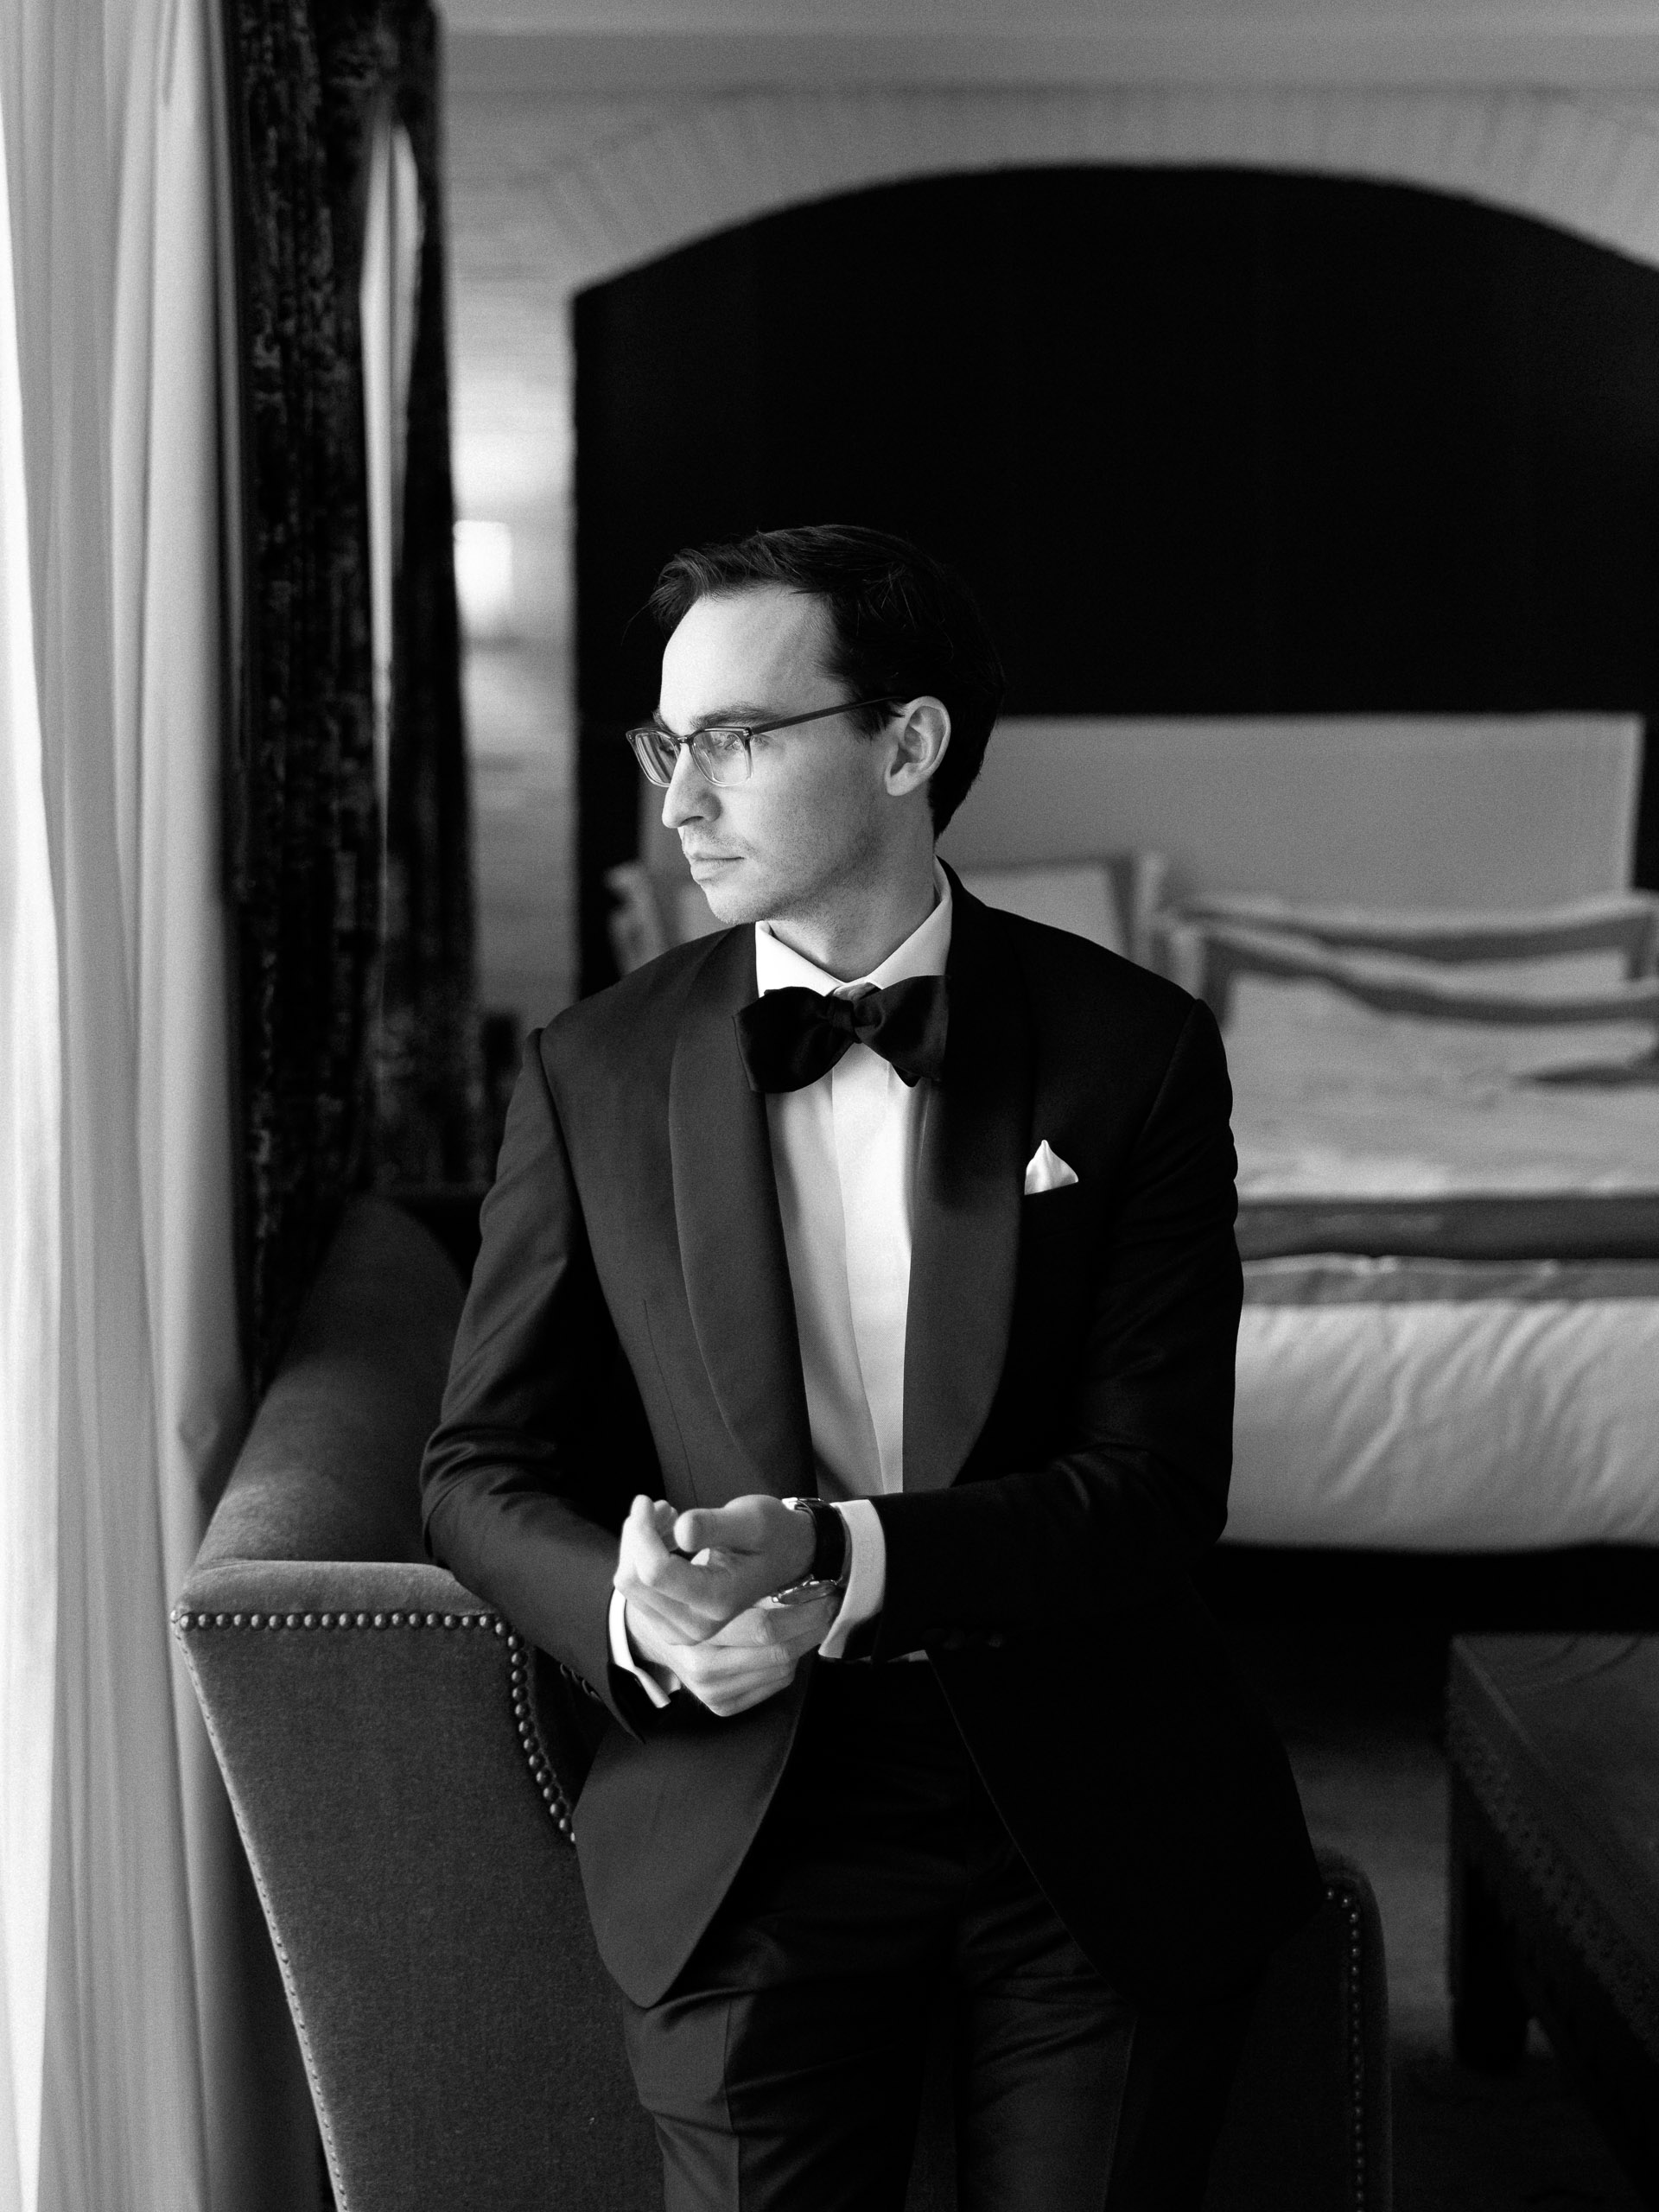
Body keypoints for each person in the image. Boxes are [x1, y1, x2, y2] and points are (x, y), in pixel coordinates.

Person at [421, 524, 1320, 2210]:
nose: (681, 801)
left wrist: (839, 1556)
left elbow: (1155, 1488)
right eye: (666, 744)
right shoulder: (591, 1070)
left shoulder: (1133, 1051)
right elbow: (478, 1468)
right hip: (746, 1814)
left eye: (737, 739)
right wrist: (634, 1608)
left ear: (906, 745)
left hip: (1085, 1795)